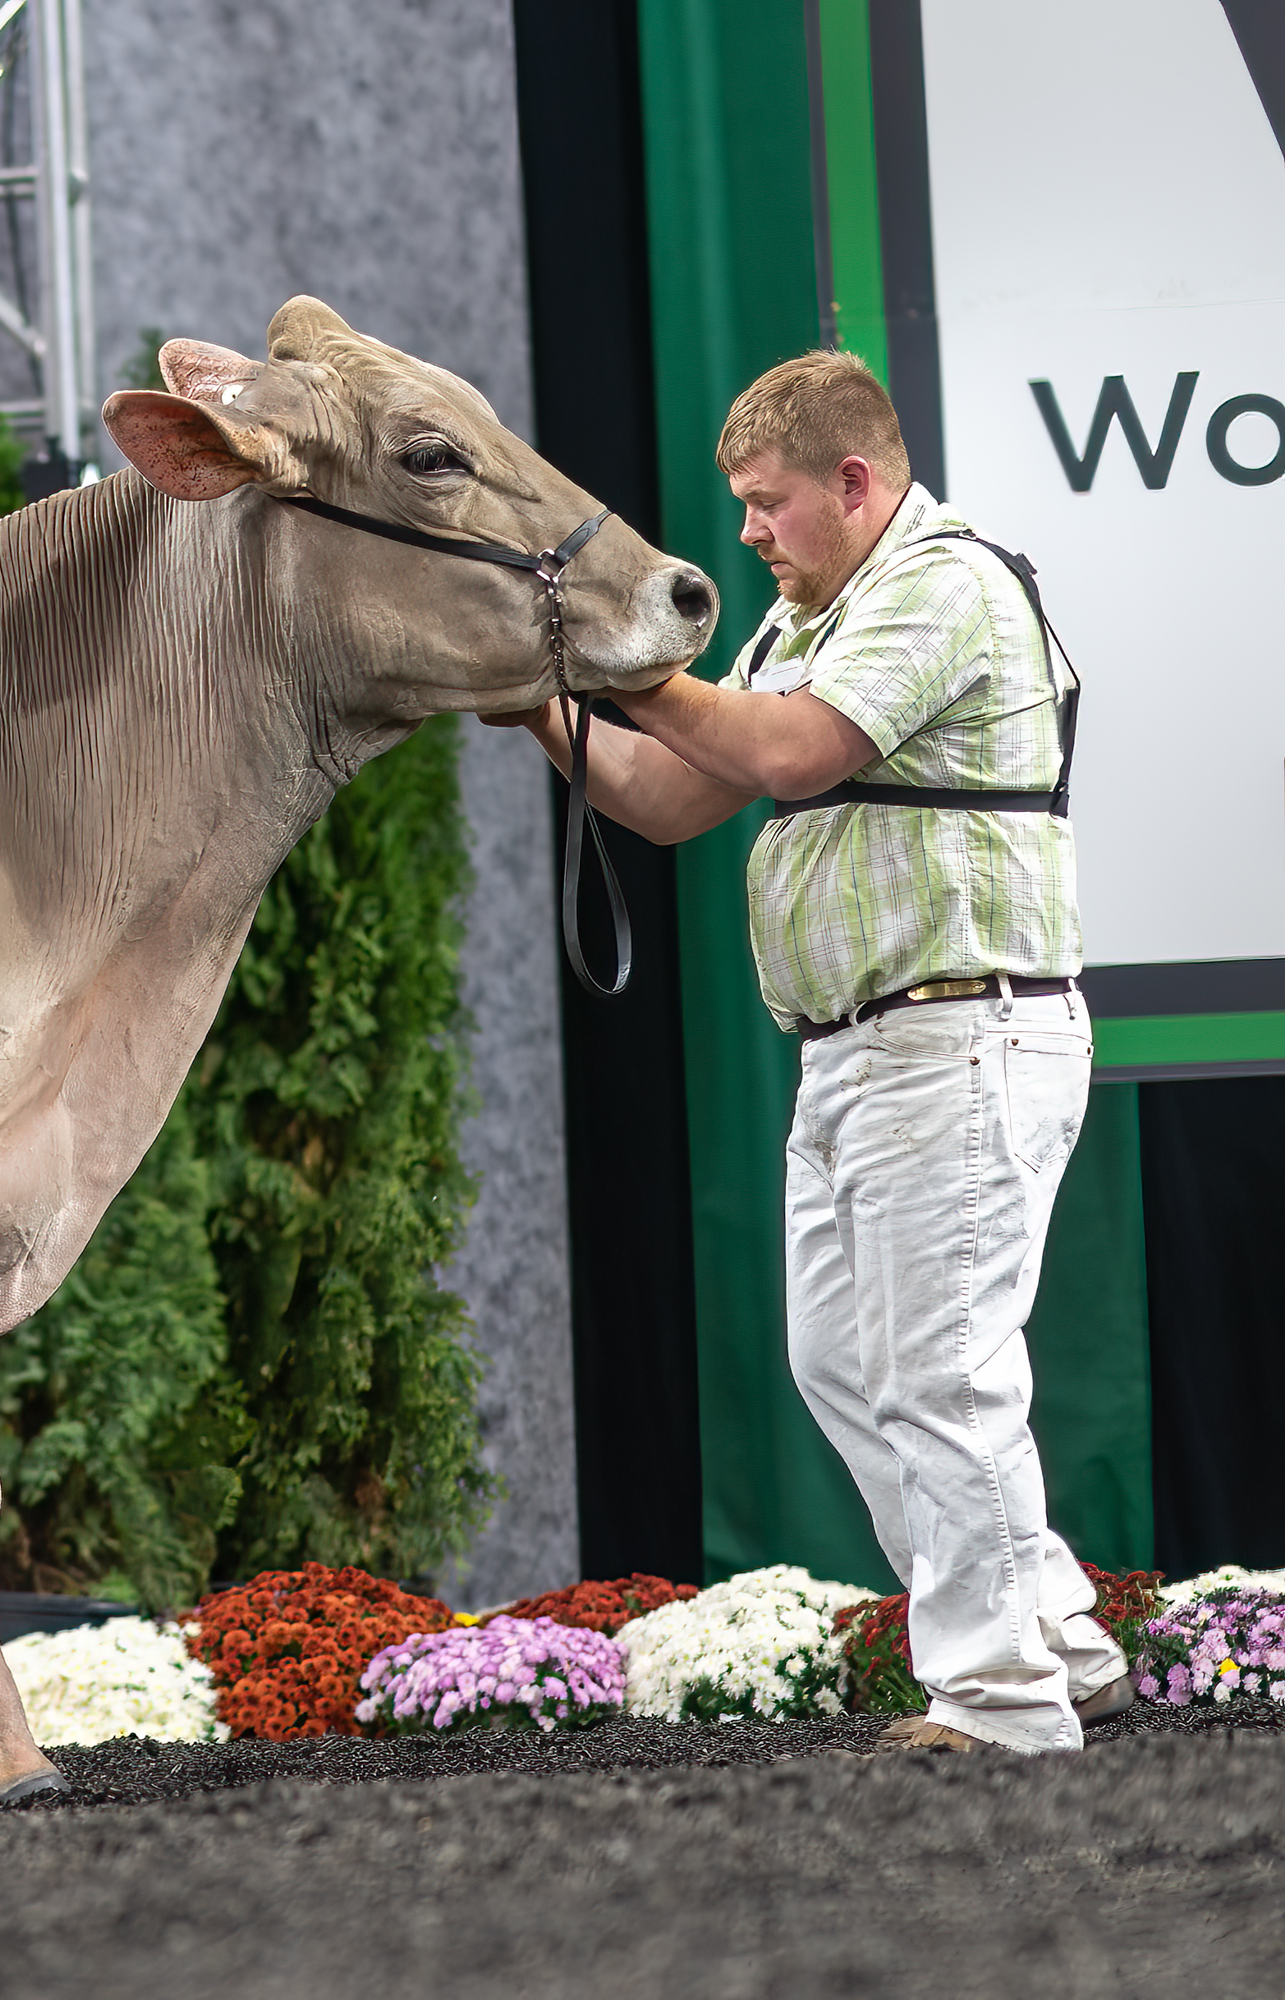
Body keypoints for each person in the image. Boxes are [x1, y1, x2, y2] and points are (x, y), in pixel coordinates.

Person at [490, 350, 1122, 1753]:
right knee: (845, 1366)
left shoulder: (945, 584)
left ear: (853, 481)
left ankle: (1002, 1702)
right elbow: (670, 796)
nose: (749, 534)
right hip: (854, 1054)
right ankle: (1057, 1638)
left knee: (940, 1374)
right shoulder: (801, 620)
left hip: (958, 1032)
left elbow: (788, 755)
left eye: (767, 503)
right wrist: (539, 700)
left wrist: (622, 661)